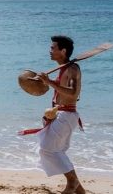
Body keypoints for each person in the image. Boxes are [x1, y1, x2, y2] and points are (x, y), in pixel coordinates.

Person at [31, 36, 85, 194]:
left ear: (63, 51)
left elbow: (73, 93)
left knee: (47, 149)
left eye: (53, 48)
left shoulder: (73, 68)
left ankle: (72, 181)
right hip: (61, 114)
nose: (50, 50)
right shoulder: (63, 69)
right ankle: (80, 190)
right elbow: (56, 88)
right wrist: (43, 83)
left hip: (67, 114)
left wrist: (50, 82)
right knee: (55, 150)